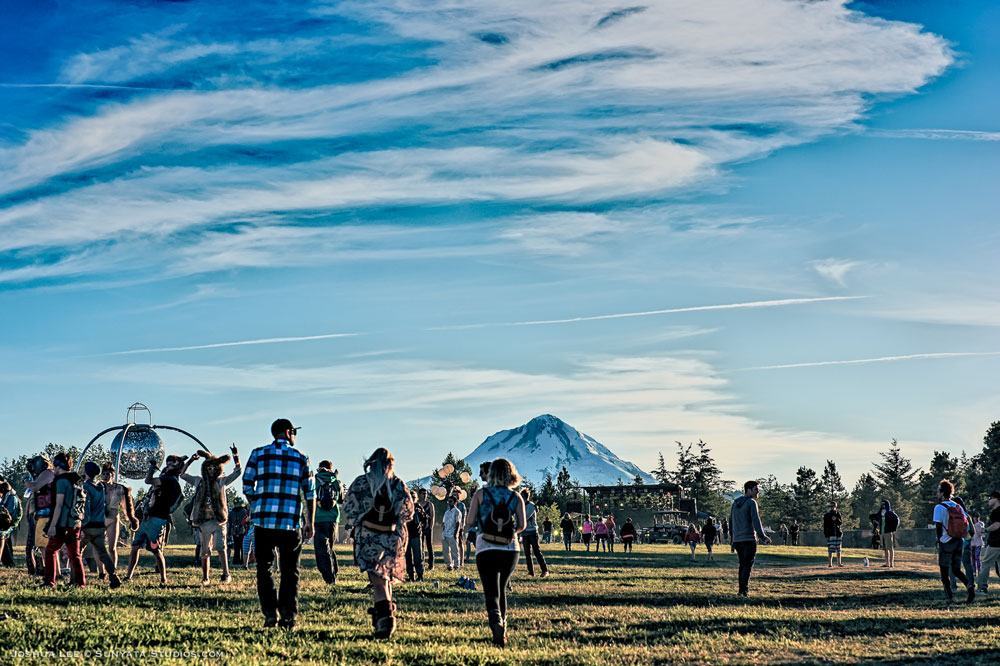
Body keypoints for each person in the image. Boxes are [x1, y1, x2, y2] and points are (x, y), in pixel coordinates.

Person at [243, 419, 315, 629]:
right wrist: (309, 521)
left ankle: (269, 613)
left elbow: (247, 484)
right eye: (293, 432)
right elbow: (310, 493)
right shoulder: (302, 458)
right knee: (290, 570)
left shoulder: (258, 453)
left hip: (263, 522)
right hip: (290, 523)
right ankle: (288, 617)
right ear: (287, 432)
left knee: (264, 568)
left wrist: (256, 502)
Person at [343, 447, 414, 639]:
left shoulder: (361, 483)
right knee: (385, 577)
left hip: (368, 537)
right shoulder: (397, 484)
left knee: (377, 579)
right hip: (391, 538)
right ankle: (385, 611)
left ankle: (385, 619)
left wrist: (359, 519)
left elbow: (348, 507)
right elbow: (408, 512)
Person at [467, 458, 526, 648]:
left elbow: (469, 521)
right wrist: (510, 533)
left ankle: (496, 623)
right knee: (502, 588)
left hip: (486, 546)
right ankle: (504, 626)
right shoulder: (515, 497)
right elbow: (522, 525)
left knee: (490, 590)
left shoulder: (481, 494)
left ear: (491, 473)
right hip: (510, 549)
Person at [124, 454, 191, 585]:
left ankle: (163, 578)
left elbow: (148, 480)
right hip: (149, 517)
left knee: (156, 550)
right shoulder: (170, 479)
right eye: (168, 462)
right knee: (135, 546)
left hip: (157, 518)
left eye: (172, 463)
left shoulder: (168, 480)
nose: (168, 464)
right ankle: (129, 575)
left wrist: (151, 469)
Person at [182, 447, 241, 585]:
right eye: (209, 468)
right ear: (205, 469)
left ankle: (226, 574)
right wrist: (190, 461)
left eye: (214, 468)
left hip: (218, 520)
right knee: (205, 550)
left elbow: (237, 472)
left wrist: (236, 456)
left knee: (221, 547)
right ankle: (205, 577)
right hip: (204, 521)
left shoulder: (221, 482)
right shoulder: (198, 481)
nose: (211, 471)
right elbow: (183, 475)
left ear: (218, 468)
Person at [43, 452, 86, 588]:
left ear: (58, 466)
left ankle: (49, 581)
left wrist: (52, 525)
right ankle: (80, 583)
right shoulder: (77, 481)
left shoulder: (61, 481)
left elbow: (59, 504)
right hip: (76, 522)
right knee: (75, 555)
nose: (54, 470)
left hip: (63, 523)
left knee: (50, 551)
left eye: (55, 467)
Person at [78, 462, 120, 588]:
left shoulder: (86, 487)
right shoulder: (100, 486)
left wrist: (82, 526)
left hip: (89, 525)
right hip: (99, 525)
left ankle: (75, 579)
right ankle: (113, 575)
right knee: (103, 552)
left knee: (76, 552)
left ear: (86, 472)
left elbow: (86, 507)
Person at [933, 479, 974, 605]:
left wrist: (939, 540)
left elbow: (938, 526)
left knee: (944, 572)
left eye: (938, 490)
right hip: (959, 541)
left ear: (941, 492)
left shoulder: (939, 507)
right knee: (956, 569)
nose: (937, 492)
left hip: (946, 541)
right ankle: (970, 587)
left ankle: (949, 597)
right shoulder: (958, 506)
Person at [730, 480, 771, 597]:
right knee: (747, 565)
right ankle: (744, 591)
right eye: (756, 490)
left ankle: (741, 590)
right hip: (748, 539)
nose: (758, 492)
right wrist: (763, 537)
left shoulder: (735, 504)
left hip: (737, 540)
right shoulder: (751, 503)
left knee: (742, 565)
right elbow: (756, 520)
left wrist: (732, 539)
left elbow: (731, 522)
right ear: (749, 490)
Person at [100, 463, 137, 574]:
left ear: (113, 475)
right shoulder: (98, 487)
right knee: (99, 547)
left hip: (113, 517)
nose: (105, 476)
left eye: (108, 474)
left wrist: (131, 519)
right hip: (100, 518)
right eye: (104, 474)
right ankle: (101, 572)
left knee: (112, 547)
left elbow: (127, 507)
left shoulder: (119, 488)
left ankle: (113, 571)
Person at [313, 461, 344, 585]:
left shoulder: (315, 480)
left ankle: (329, 578)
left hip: (318, 518)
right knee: (329, 547)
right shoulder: (337, 482)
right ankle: (333, 573)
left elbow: (309, 498)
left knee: (321, 548)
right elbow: (341, 500)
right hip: (333, 519)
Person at [24, 455, 56, 575]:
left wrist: (25, 480)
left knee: (44, 546)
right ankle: (50, 572)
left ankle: (50, 572)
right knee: (40, 546)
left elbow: (33, 487)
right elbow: (32, 495)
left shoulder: (47, 473)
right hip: (42, 513)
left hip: (47, 513)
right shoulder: (44, 475)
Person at [519, 488, 548, 578]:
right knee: (527, 553)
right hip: (525, 532)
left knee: (536, 551)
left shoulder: (531, 506)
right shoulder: (522, 506)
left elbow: (525, 517)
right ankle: (531, 572)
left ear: (525, 497)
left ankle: (544, 570)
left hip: (532, 532)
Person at [975, 491, 1000, 594]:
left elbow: (997, 525)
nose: (988, 500)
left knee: (985, 564)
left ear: (997, 499)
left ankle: (982, 588)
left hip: (995, 543)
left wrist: (985, 530)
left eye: (990, 498)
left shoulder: (996, 512)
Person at [0, 475, 23, 567]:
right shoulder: (7, 497)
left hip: (9, 523)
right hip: (4, 522)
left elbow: (10, 514)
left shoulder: (12, 498)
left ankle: (9, 561)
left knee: (3, 538)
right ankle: (7, 561)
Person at [405, 490, 426, 582]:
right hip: (406, 535)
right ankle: (410, 575)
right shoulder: (404, 507)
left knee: (418, 556)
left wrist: (420, 513)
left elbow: (425, 520)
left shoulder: (418, 507)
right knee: (407, 556)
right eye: (410, 496)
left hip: (416, 534)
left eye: (414, 497)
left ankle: (420, 575)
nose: (412, 498)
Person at [415, 488, 436, 571]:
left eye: (426, 493)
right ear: (419, 494)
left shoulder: (430, 504)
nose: (424, 495)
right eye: (423, 493)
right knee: (421, 547)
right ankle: (421, 563)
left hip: (427, 528)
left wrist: (431, 526)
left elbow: (432, 516)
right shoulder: (417, 505)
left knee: (429, 546)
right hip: (419, 528)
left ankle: (431, 564)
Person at [441, 495, 463, 570]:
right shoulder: (446, 512)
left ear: (455, 503)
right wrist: (443, 532)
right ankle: (449, 565)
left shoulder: (457, 512)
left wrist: (456, 533)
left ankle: (456, 565)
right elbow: (443, 522)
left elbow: (458, 523)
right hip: (445, 534)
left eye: (451, 501)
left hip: (452, 533)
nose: (449, 503)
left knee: (454, 551)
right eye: (448, 501)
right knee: (445, 551)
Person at [877, 500, 899, 568]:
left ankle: (891, 563)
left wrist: (893, 529)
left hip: (888, 532)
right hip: (882, 532)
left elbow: (897, 520)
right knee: (885, 549)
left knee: (890, 548)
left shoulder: (890, 513)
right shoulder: (880, 513)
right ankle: (887, 563)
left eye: (884, 505)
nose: (883, 506)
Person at [229, 496, 250, 567]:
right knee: (242, 547)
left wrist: (229, 532)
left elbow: (230, 522)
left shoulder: (231, 512)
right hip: (242, 531)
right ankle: (242, 560)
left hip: (234, 531)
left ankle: (236, 560)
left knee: (236, 547)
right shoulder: (244, 511)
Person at [449, 488, 467, 568]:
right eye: (453, 494)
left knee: (460, 543)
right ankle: (453, 560)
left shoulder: (461, 505)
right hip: (451, 526)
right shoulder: (450, 505)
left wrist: (462, 525)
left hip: (459, 526)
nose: (454, 496)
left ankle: (461, 561)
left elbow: (464, 516)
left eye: (455, 494)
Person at [823, 502, 844, 568]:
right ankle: (830, 563)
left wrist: (836, 519)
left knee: (838, 550)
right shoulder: (827, 515)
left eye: (833, 506)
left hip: (837, 534)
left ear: (836, 506)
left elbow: (840, 523)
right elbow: (825, 526)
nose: (832, 507)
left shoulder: (838, 514)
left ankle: (839, 563)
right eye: (831, 506)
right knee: (830, 550)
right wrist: (826, 535)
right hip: (830, 534)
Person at [971, 513, 985, 579]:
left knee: (977, 558)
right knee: (973, 558)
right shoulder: (973, 524)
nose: (975, 518)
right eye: (974, 517)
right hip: (972, 543)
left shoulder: (979, 525)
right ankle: (974, 572)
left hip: (978, 543)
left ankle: (979, 571)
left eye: (976, 517)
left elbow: (981, 533)